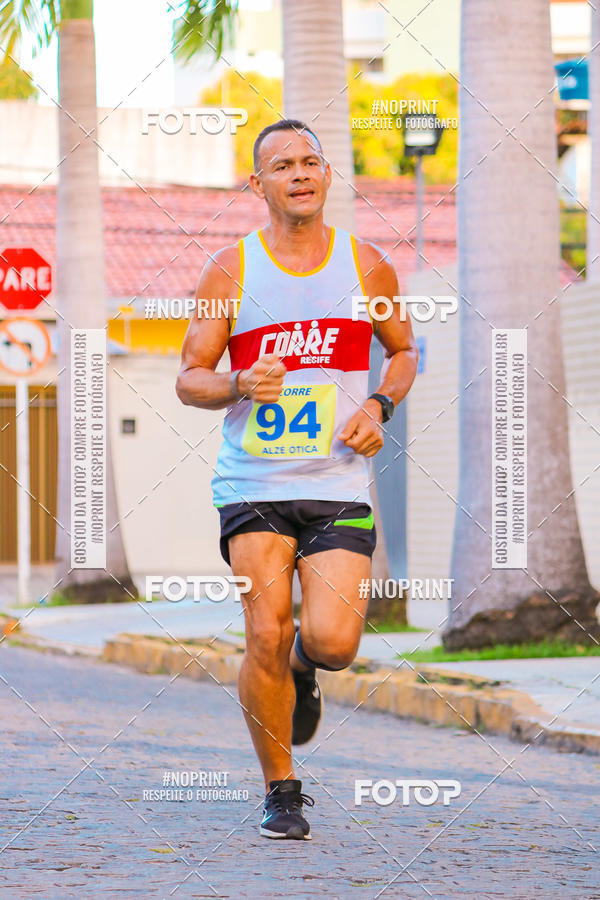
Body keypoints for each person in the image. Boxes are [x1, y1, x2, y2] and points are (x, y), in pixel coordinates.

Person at [176, 119, 418, 840]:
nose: (300, 173)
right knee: (265, 631)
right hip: (253, 483)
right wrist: (239, 382)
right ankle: (282, 791)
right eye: (283, 165)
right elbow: (190, 378)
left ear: (327, 175)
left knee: (334, 642)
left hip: (338, 482)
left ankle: (306, 668)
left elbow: (403, 352)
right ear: (258, 184)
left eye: (311, 161)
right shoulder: (231, 270)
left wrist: (379, 404)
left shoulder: (367, 265)